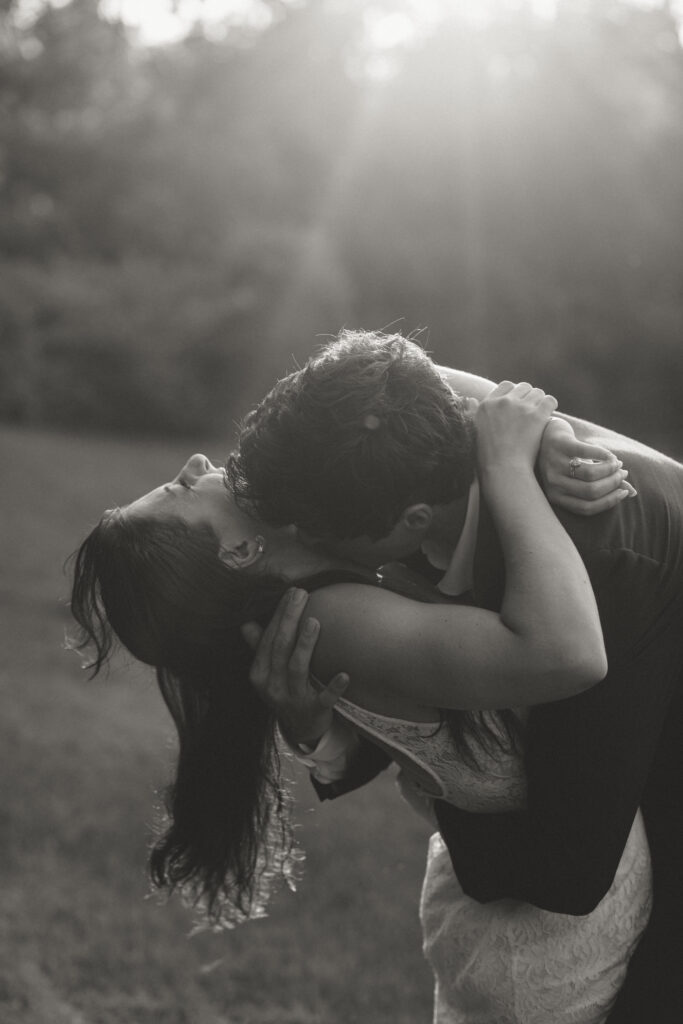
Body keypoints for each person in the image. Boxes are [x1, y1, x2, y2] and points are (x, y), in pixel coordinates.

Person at [70, 366, 643, 1023]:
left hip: (511, 895)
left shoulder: (321, 558)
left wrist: (551, 439)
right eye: (180, 487)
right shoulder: (331, 618)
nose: (198, 462)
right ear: (235, 552)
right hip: (544, 936)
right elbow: (562, 654)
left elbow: (415, 381)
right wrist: (512, 462)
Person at [229, 330, 683, 1023]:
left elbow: (567, 864)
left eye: (310, 535)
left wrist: (429, 788)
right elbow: (388, 369)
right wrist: (318, 732)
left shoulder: (589, 550)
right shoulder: (402, 471)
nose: (295, 558)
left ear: (408, 522)